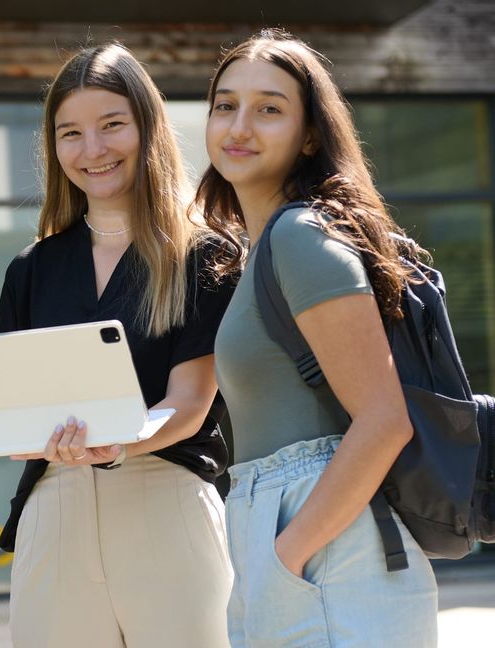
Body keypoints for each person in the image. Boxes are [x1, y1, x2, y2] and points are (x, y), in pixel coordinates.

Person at [196, 29, 439, 646]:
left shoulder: (301, 236)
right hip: (293, 537)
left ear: (309, 135)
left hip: (324, 544)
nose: (239, 126)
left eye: (269, 109)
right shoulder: (265, 247)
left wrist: (287, 554)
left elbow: (385, 419)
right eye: (225, 105)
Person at [0, 43, 236, 648]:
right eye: (70, 133)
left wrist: (119, 441)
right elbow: (12, 416)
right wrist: (35, 437)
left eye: (111, 125)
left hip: (165, 500)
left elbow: (189, 403)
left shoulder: (203, 256)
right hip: (55, 510)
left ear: (147, 127)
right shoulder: (31, 269)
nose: (92, 150)